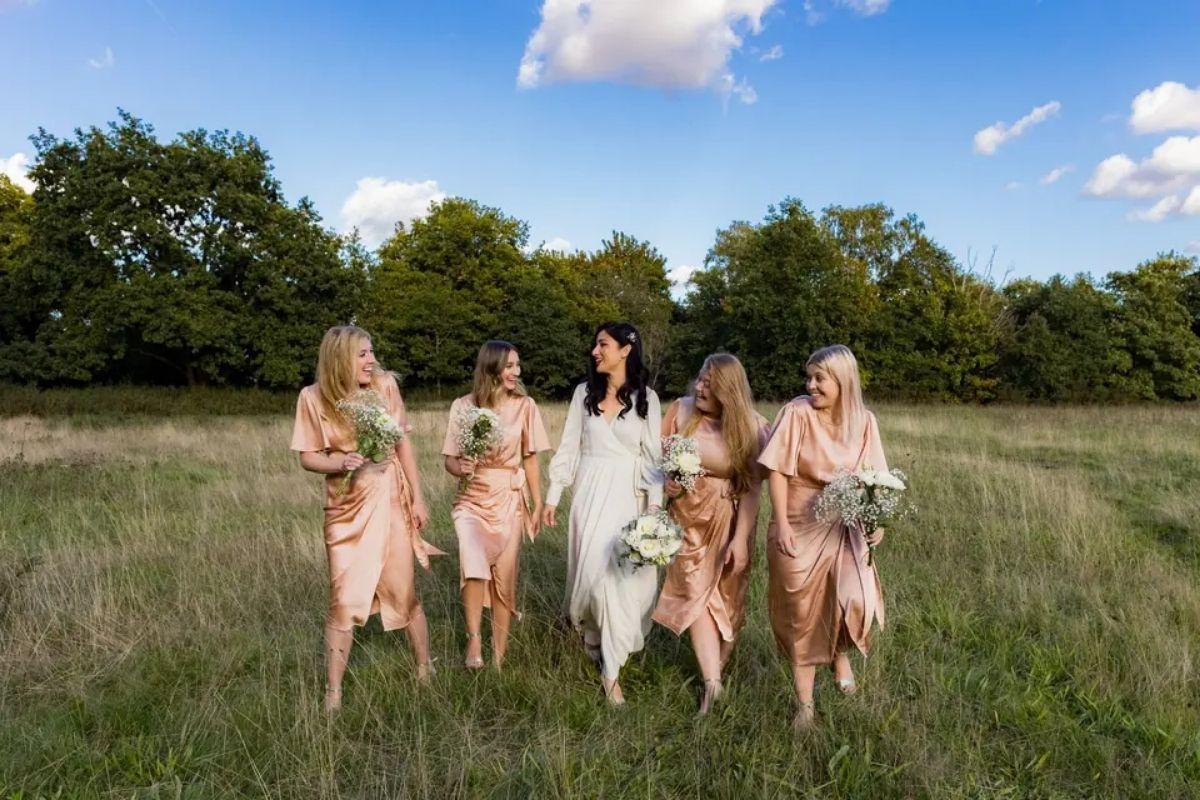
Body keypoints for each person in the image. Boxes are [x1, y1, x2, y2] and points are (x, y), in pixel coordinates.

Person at [290, 325, 443, 712]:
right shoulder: (312, 397)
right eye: (362, 354)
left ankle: (425, 667)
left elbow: (401, 444)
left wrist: (419, 499)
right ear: (339, 357)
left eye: (371, 352)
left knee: (402, 590)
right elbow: (308, 456)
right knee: (342, 598)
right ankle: (334, 692)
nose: (371, 360)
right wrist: (341, 461)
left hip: (390, 498)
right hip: (344, 509)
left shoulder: (385, 387)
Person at [757, 344, 890, 729]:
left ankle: (839, 654)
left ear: (843, 381)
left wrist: (875, 519)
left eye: (819, 378)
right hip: (798, 522)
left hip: (846, 525)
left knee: (853, 599)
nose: (810, 385)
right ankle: (805, 706)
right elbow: (778, 472)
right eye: (809, 376)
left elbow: (874, 476)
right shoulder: (797, 413)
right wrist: (780, 523)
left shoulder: (864, 421)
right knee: (803, 614)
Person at [543, 322, 663, 705]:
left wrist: (655, 509)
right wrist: (552, 496)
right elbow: (569, 447)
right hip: (591, 494)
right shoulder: (583, 394)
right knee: (594, 577)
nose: (595, 351)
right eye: (595, 344)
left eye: (603, 344)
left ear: (626, 350)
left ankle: (610, 671)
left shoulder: (648, 398)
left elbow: (653, 458)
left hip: (630, 499)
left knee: (623, 582)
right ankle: (595, 641)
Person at [651, 354, 770, 714]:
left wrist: (740, 539)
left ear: (728, 391)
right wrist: (667, 486)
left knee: (728, 605)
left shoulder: (752, 425)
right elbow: (657, 462)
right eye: (700, 379)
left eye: (710, 384)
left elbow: (751, 489)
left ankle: (715, 671)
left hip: (729, 519)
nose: (700, 388)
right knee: (696, 595)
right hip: (687, 518)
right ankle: (712, 686)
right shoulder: (680, 412)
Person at [442, 341, 550, 671]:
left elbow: (530, 459)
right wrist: (460, 467)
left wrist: (536, 502)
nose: (516, 372)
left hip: (508, 499)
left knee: (505, 578)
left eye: (518, 365)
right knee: (473, 562)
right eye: (509, 366)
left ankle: (499, 658)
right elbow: (449, 459)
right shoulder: (463, 405)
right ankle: (474, 638)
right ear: (491, 368)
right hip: (472, 498)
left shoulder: (525, 406)